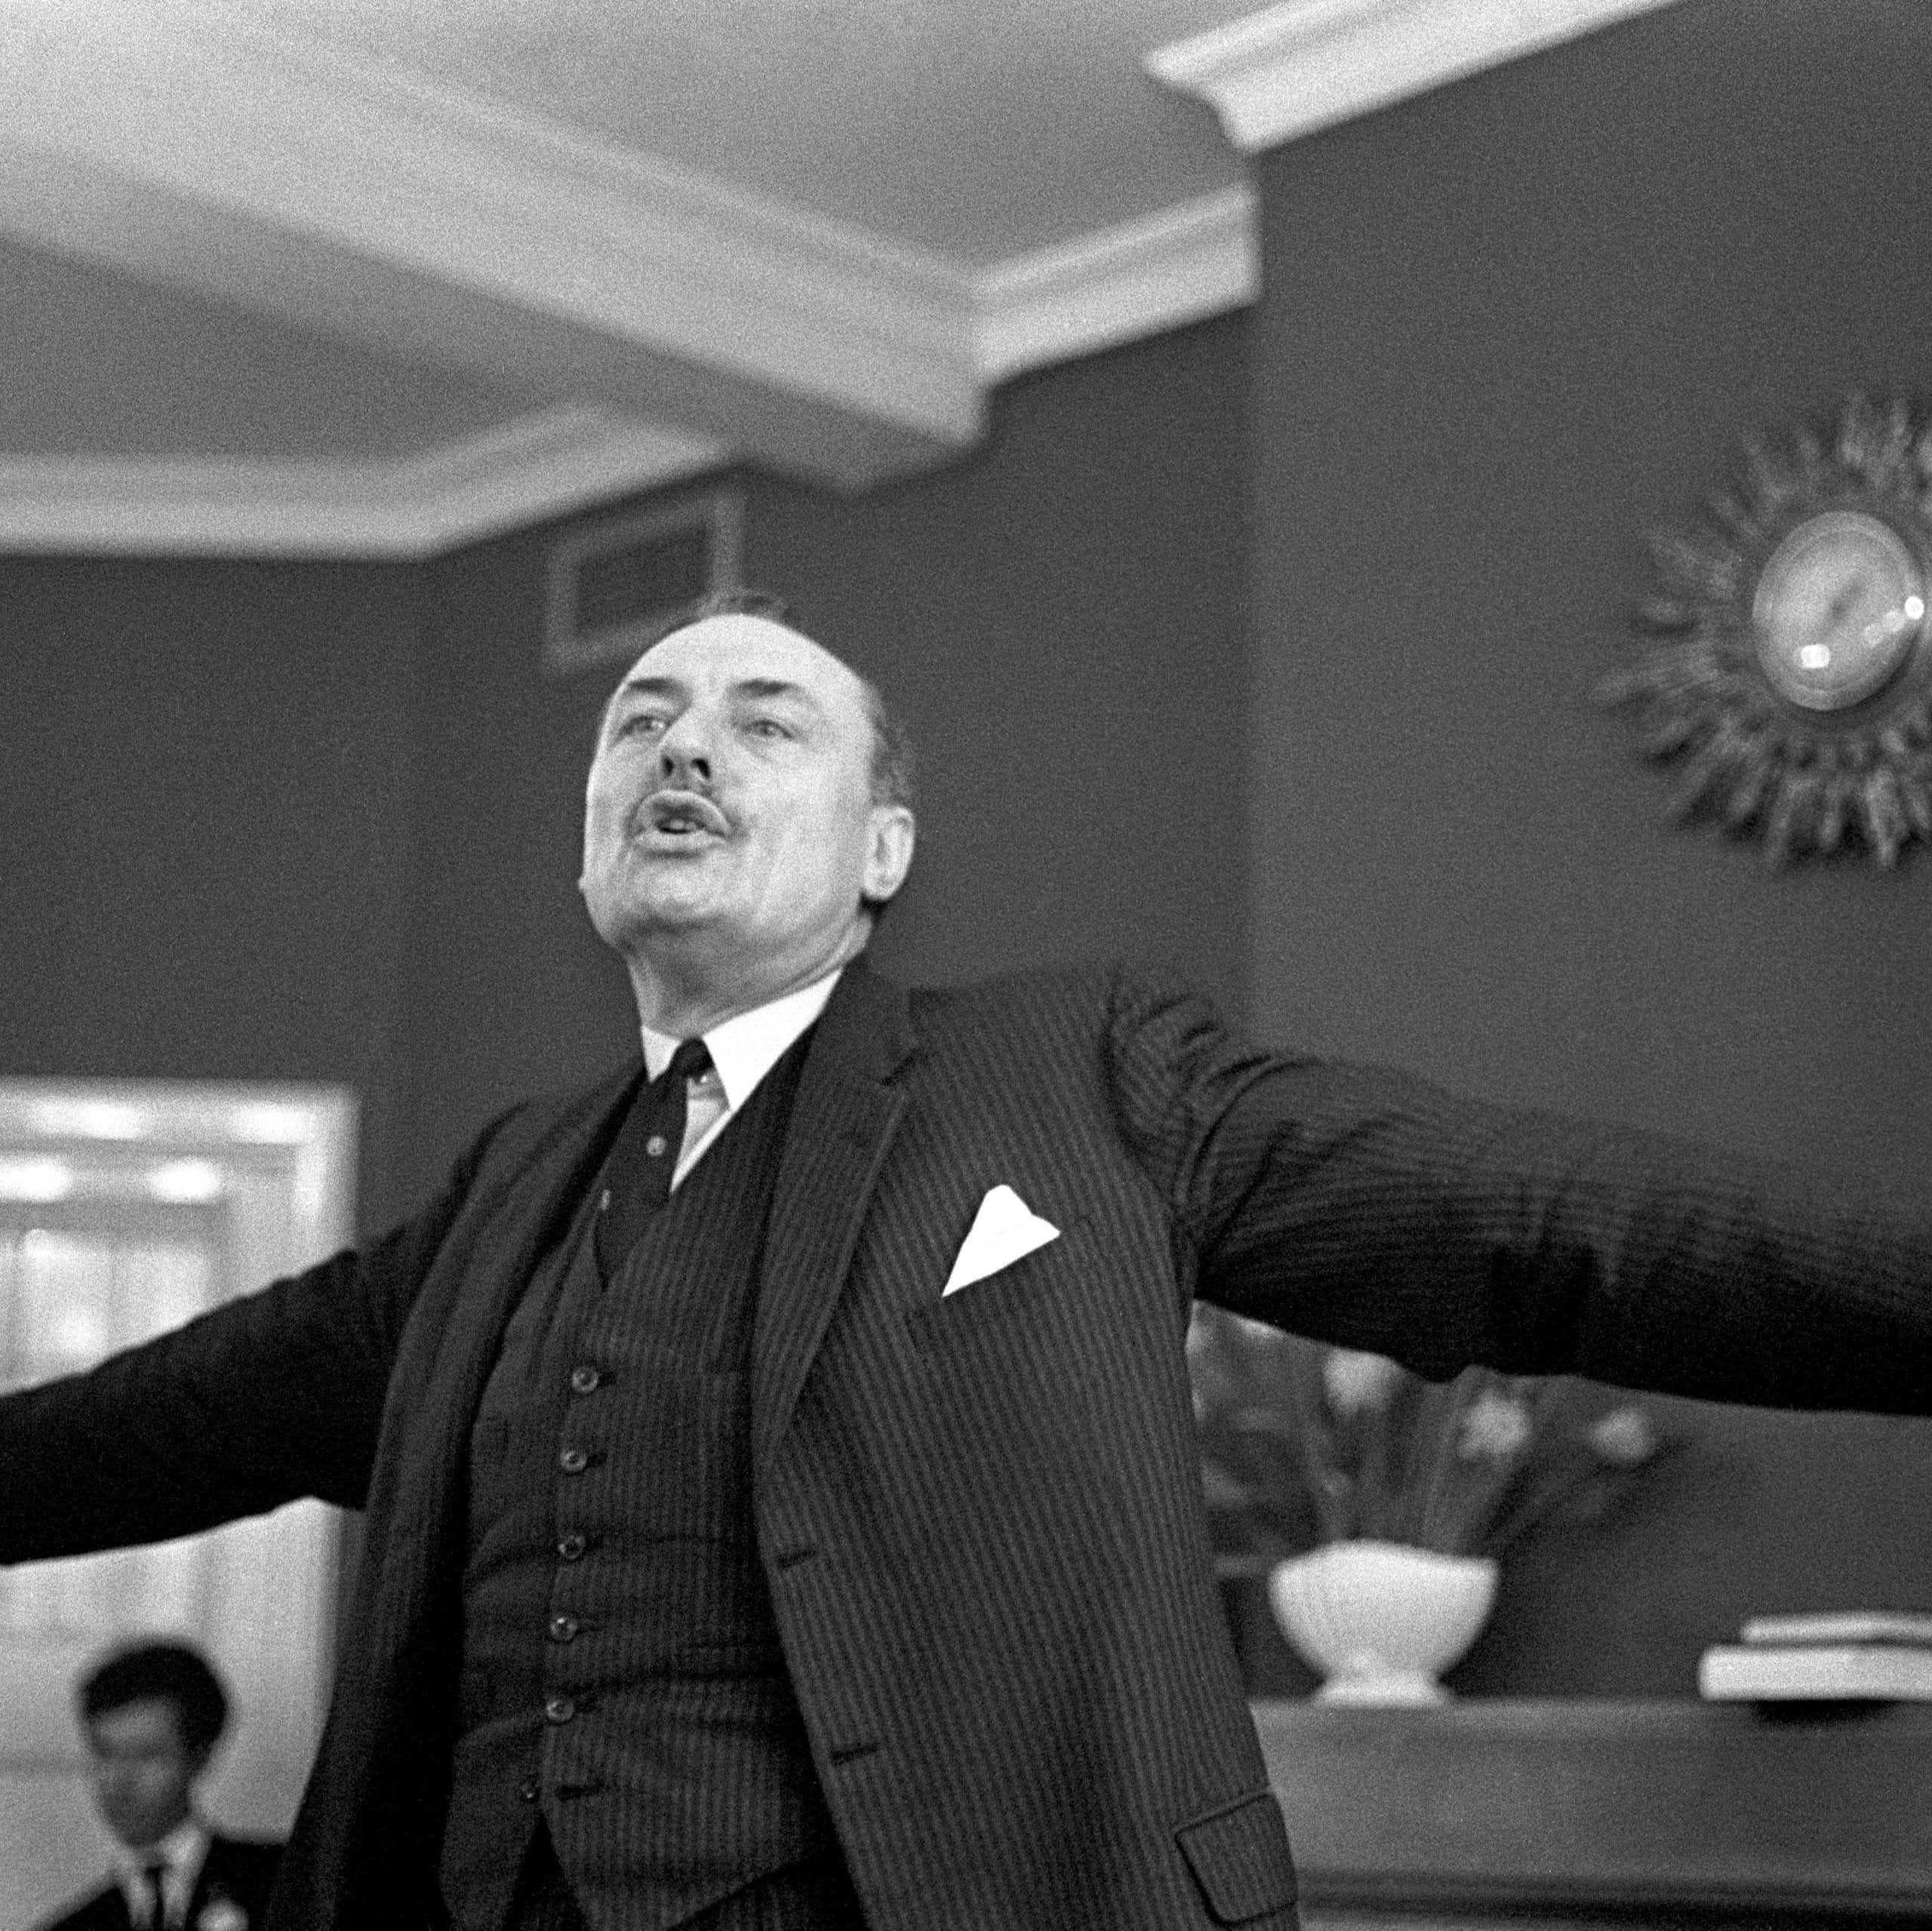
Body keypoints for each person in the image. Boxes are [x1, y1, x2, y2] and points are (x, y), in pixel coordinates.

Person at [1, 587, 1929, 1931]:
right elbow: (160, 1418)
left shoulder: (1072, 1072)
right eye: (638, 722)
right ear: (588, 842)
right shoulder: (503, 1189)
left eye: (766, 722)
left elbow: (1539, 1224)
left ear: (883, 848)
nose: (686, 747)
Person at [36, 1640, 282, 1931]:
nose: (119, 1781)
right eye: (105, 1753)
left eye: (147, 1755)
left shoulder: (282, 1882)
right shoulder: (74, 1926)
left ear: (199, 1757)